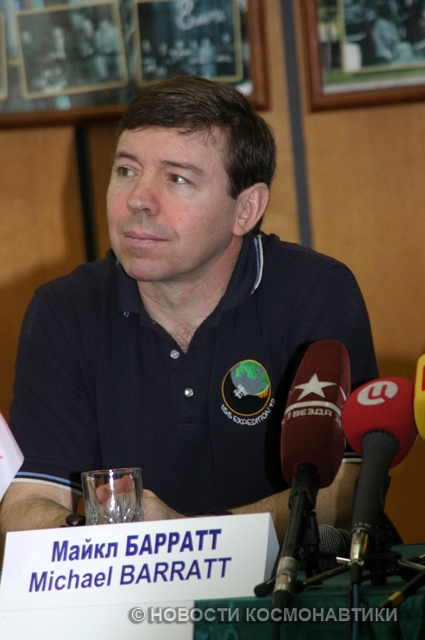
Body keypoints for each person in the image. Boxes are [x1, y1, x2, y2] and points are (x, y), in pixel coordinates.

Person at [0, 76, 378, 544]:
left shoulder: (315, 291)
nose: (138, 199)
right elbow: (27, 503)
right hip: (133, 582)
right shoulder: (65, 310)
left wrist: (187, 539)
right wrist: (103, 535)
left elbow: (346, 490)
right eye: (126, 170)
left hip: (300, 580)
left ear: (246, 209)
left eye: (177, 178)